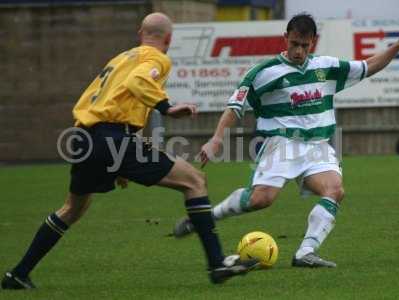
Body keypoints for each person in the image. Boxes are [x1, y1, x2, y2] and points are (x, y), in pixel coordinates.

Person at [1, 13, 259, 290]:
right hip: (112, 138)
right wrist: (167, 107)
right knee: (195, 181)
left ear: (140, 33)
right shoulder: (158, 58)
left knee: (72, 208)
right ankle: (217, 263)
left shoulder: (120, 58)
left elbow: (117, 100)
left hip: (85, 138)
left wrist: (118, 160)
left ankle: (18, 274)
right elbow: (138, 82)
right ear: (169, 39)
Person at [173, 13, 399, 267]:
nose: (298, 51)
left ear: (313, 41)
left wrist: (397, 45)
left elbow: (369, 66)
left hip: (317, 146)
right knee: (261, 199)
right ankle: (205, 218)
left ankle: (306, 252)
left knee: (335, 190)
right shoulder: (264, 73)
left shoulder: (327, 66)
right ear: (286, 38)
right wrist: (216, 139)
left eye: (304, 45)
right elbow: (235, 106)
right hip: (280, 144)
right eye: (294, 44)